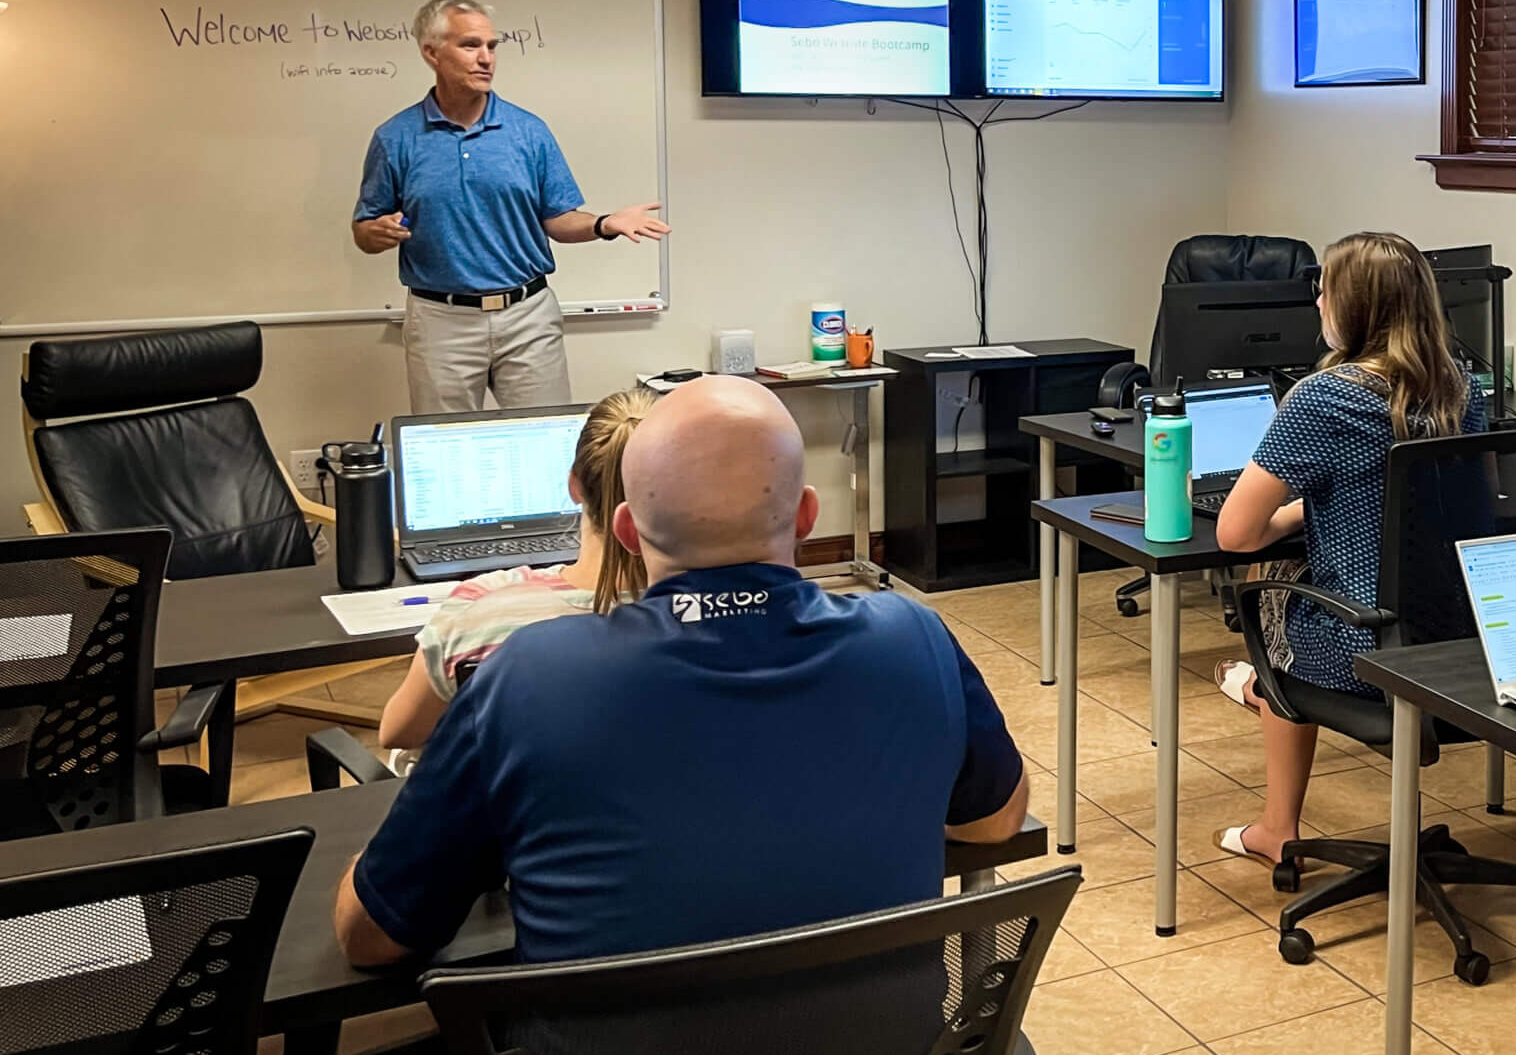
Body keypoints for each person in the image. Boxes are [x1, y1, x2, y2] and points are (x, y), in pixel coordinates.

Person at [335, 373, 1028, 968]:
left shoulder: (525, 682)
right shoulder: (913, 639)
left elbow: (372, 937)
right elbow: (993, 826)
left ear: (629, 530)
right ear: (810, 516)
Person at [1211, 230, 1486, 867]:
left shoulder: (1324, 397)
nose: (1317, 304)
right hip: (1465, 642)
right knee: (1300, 587)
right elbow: (1459, 498)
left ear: (1357, 307)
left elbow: (1235, 533)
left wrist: (1294, 514)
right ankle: (1258, 692)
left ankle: (1261, 705)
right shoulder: (1460, 388)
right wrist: (1336, 497)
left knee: (1276, 591)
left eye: (1325, 290)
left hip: (1366, 652)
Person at [353, 0, 670, 414]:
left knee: (546, 440)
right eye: (470, 45)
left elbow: (557, 219)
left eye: (492, 46)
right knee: (448, 448)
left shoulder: (528, 131)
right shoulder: (396, 137)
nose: (486, 58)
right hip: (440, 320)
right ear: (431, 52)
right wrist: (375, 233)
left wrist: (604, 224)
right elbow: (365, 230)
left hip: (527, 316)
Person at [375, 388, 654, 754]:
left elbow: (398, 733)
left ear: (574, 486)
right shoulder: (711, 617)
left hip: (509, 808)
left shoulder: (478, 609)